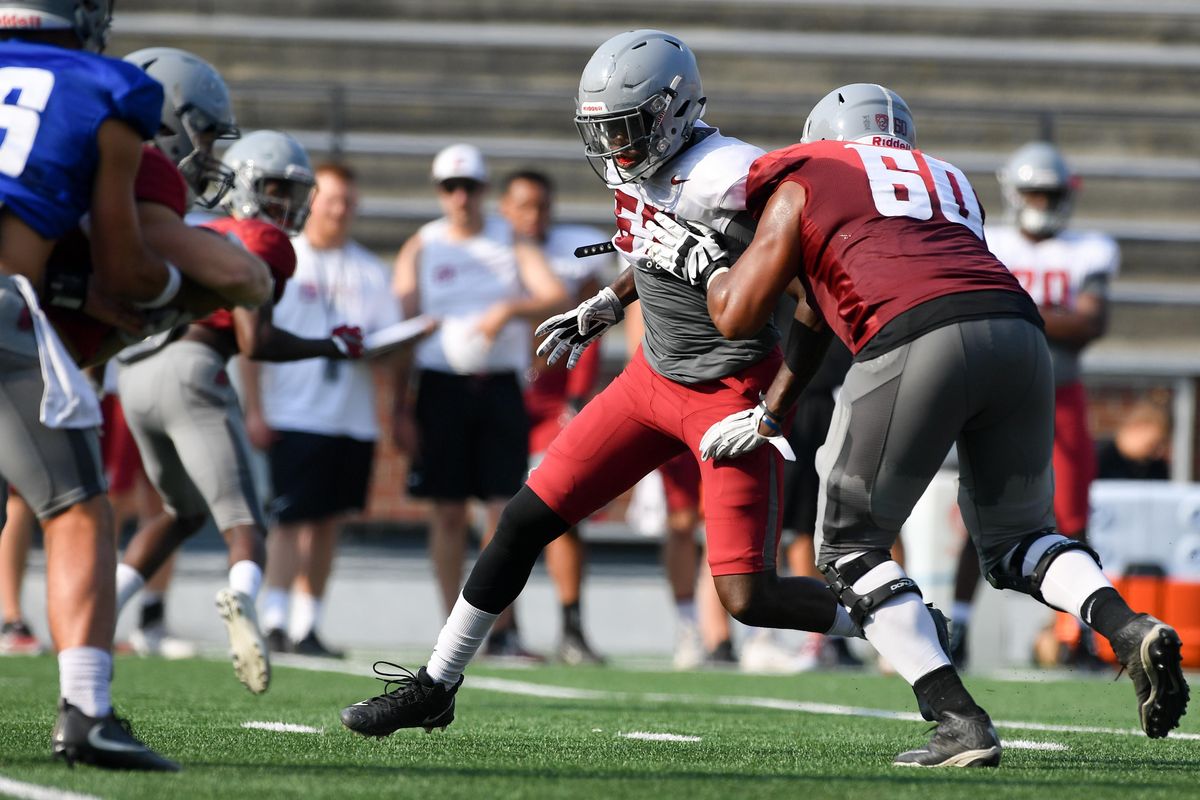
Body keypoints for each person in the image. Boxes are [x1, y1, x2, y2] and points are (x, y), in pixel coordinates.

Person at [642, 82, 1189, 766]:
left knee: (847, 548)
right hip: (1021, 335)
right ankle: (1126, 624)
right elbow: (858, 290)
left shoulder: (806, 172)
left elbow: (737, 314)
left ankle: (957, 718)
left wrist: (701, 262)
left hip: (915, 335)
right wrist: (777, 406)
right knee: (1022, 538)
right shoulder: (950, 178)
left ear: (824, 135)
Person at [338, 30, 861, 739]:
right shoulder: (639, 166)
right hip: (650, 379)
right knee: (523, 520)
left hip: (729, 393)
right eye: (605, 129)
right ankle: (437, 683)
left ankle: (889, 615)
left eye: (626, 126)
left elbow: (807, 295)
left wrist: (771, 403)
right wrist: (612, 301)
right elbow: (655, 245)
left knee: (747, 594)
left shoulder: (734, 175)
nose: (615, 145)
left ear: (672, 112)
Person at [0, 0, 189, 771]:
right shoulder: (105, 86)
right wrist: (184, 284)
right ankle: (86, 711)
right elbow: (125, 266)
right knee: (76, 506)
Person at [113, 130, 365, 695]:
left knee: (181, 514)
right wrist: (331, 344)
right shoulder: (263, 240)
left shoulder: (199, 229)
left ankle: (101, 612)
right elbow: (255, 343)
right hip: (194, 370)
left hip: (135, 373)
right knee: (247, 526)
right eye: (277, 189)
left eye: (293, 192)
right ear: (248, 184)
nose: (288, 204)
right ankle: (242, 600)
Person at [389, 144, 567, 657]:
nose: (461, 197)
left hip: (498, 387)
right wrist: (401, 407)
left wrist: (510, 307)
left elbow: (553, 293)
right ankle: (453, 629)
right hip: (441, 387)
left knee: (502, 513)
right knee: (446, 513)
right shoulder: (422, 246)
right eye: (451, 187)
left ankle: (502, 629)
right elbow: (403, 330)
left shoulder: (507, 239)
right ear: (440, 192)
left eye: (469, 187)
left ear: (484, 191)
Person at [949, 141, 1117, 668]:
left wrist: (1011, 302)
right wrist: (1047, 313)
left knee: (1071, 517)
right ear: (1014, 191)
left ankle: (1075, 635)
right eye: (1034, 191)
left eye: (1050, 192)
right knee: (979, 514)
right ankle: (958, 624)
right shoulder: (987, 239)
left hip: (1059, 395)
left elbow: (1088, 326)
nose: (1042, 201)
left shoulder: (1088, 249)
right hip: (993, 392)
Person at [244, 161, 406, 657]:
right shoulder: (283, 258)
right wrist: (254, 408)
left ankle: (307, 624)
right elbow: (251, 342)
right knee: (291, 521)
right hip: (293, 410)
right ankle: (273, 621)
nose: (340, 209)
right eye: (331, 199)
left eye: (348, 201)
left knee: (330, 521)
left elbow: (389, 342)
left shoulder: (369, 268)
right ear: (312, 201)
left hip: (350, 414)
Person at [498, 169, 610, 665]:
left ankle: (571, 627)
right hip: (500, 396)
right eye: (523, 206)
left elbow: (589, 325)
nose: (533, 216)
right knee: (495, 509)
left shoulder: (574, 253)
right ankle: (502, 627)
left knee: (558, 511)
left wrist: (577, 396)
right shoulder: (482, 250)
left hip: (551, 402)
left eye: (541, 206)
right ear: (504, 208)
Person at [1097, 399, 1172, 480]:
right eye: (1154, 445)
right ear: (1139, 427)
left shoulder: (1156, 467)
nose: (1158, 454)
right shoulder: (1098, 459)